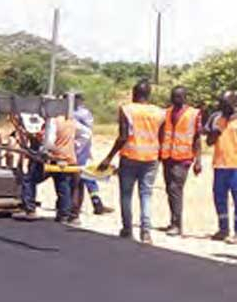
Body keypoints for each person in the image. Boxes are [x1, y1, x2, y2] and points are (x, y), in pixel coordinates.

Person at [98, 80, 165, 244]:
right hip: (151, 157)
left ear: (134, 93)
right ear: (148, 94)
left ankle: (127, 229)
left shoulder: (127, 110)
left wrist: (108, 157)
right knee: (146, 195)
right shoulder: (160, 112)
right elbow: (162, 137)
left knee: (126, 194)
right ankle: (146, 232)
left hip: (130, 156)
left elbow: (122, 137)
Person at [15, 112, 84, 222]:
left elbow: (48, 141)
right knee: (63, 185)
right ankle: (64, 214)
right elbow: (84, 135)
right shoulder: (72, 121)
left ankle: (30, 209)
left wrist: (44, 149)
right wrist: (76, 146)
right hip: (67, 158)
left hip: (52, 158)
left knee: (29, 180)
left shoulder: (53, 121)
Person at [158, 86, 203, 237]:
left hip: (183, 158)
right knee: (169, 189)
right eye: (173, 96)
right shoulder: (167, 112)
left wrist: (198, 160)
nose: (175, 100)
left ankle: (177, 224)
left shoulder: (193, 114)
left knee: (175, 189)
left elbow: (197, 139)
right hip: (167, 157)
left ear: (185, 97)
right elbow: (162, 133)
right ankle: (173, 220)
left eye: (178, 97)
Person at [70, 94, 114, 221]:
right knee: (85, 175)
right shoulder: (84, 113)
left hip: (75, 147)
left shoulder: (70, 113)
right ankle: (94, 203)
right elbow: (88, 130)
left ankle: (93, 203)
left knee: (82, 176)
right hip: (82, 147)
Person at [206, 91, 237, 242]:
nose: (223, 107)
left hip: (236, 167)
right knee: (219, 198)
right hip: (220, 165)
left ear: (234, 103)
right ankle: (223, 229)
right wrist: (217, 130)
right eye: (221, 103)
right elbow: (209, 142)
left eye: (226, 104)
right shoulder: (217, 119)